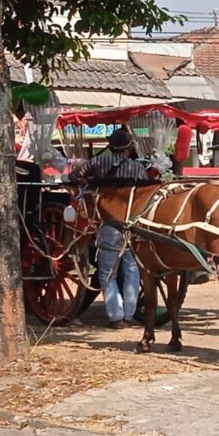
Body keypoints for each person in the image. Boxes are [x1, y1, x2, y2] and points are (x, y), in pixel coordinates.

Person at [70, 128, 149, 328]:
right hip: (132, 225)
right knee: (132, 269)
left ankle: (116, 316)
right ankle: (129, 315)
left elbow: (74, 175)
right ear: (129, 148)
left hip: (109, 223)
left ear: (110, 146)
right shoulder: (137, 168)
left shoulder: (98, 162)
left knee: (107, 272)